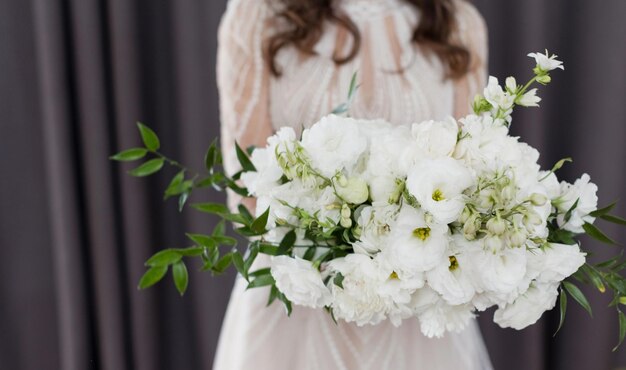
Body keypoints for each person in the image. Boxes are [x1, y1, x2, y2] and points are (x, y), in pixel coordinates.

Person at [214, 0, 493, 368]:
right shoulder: (257, 15)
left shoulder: (459, 22)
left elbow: (471, 177)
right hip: (294, 309)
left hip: (417, 315)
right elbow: (248, 188)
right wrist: (344, 255)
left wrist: (396, 262)